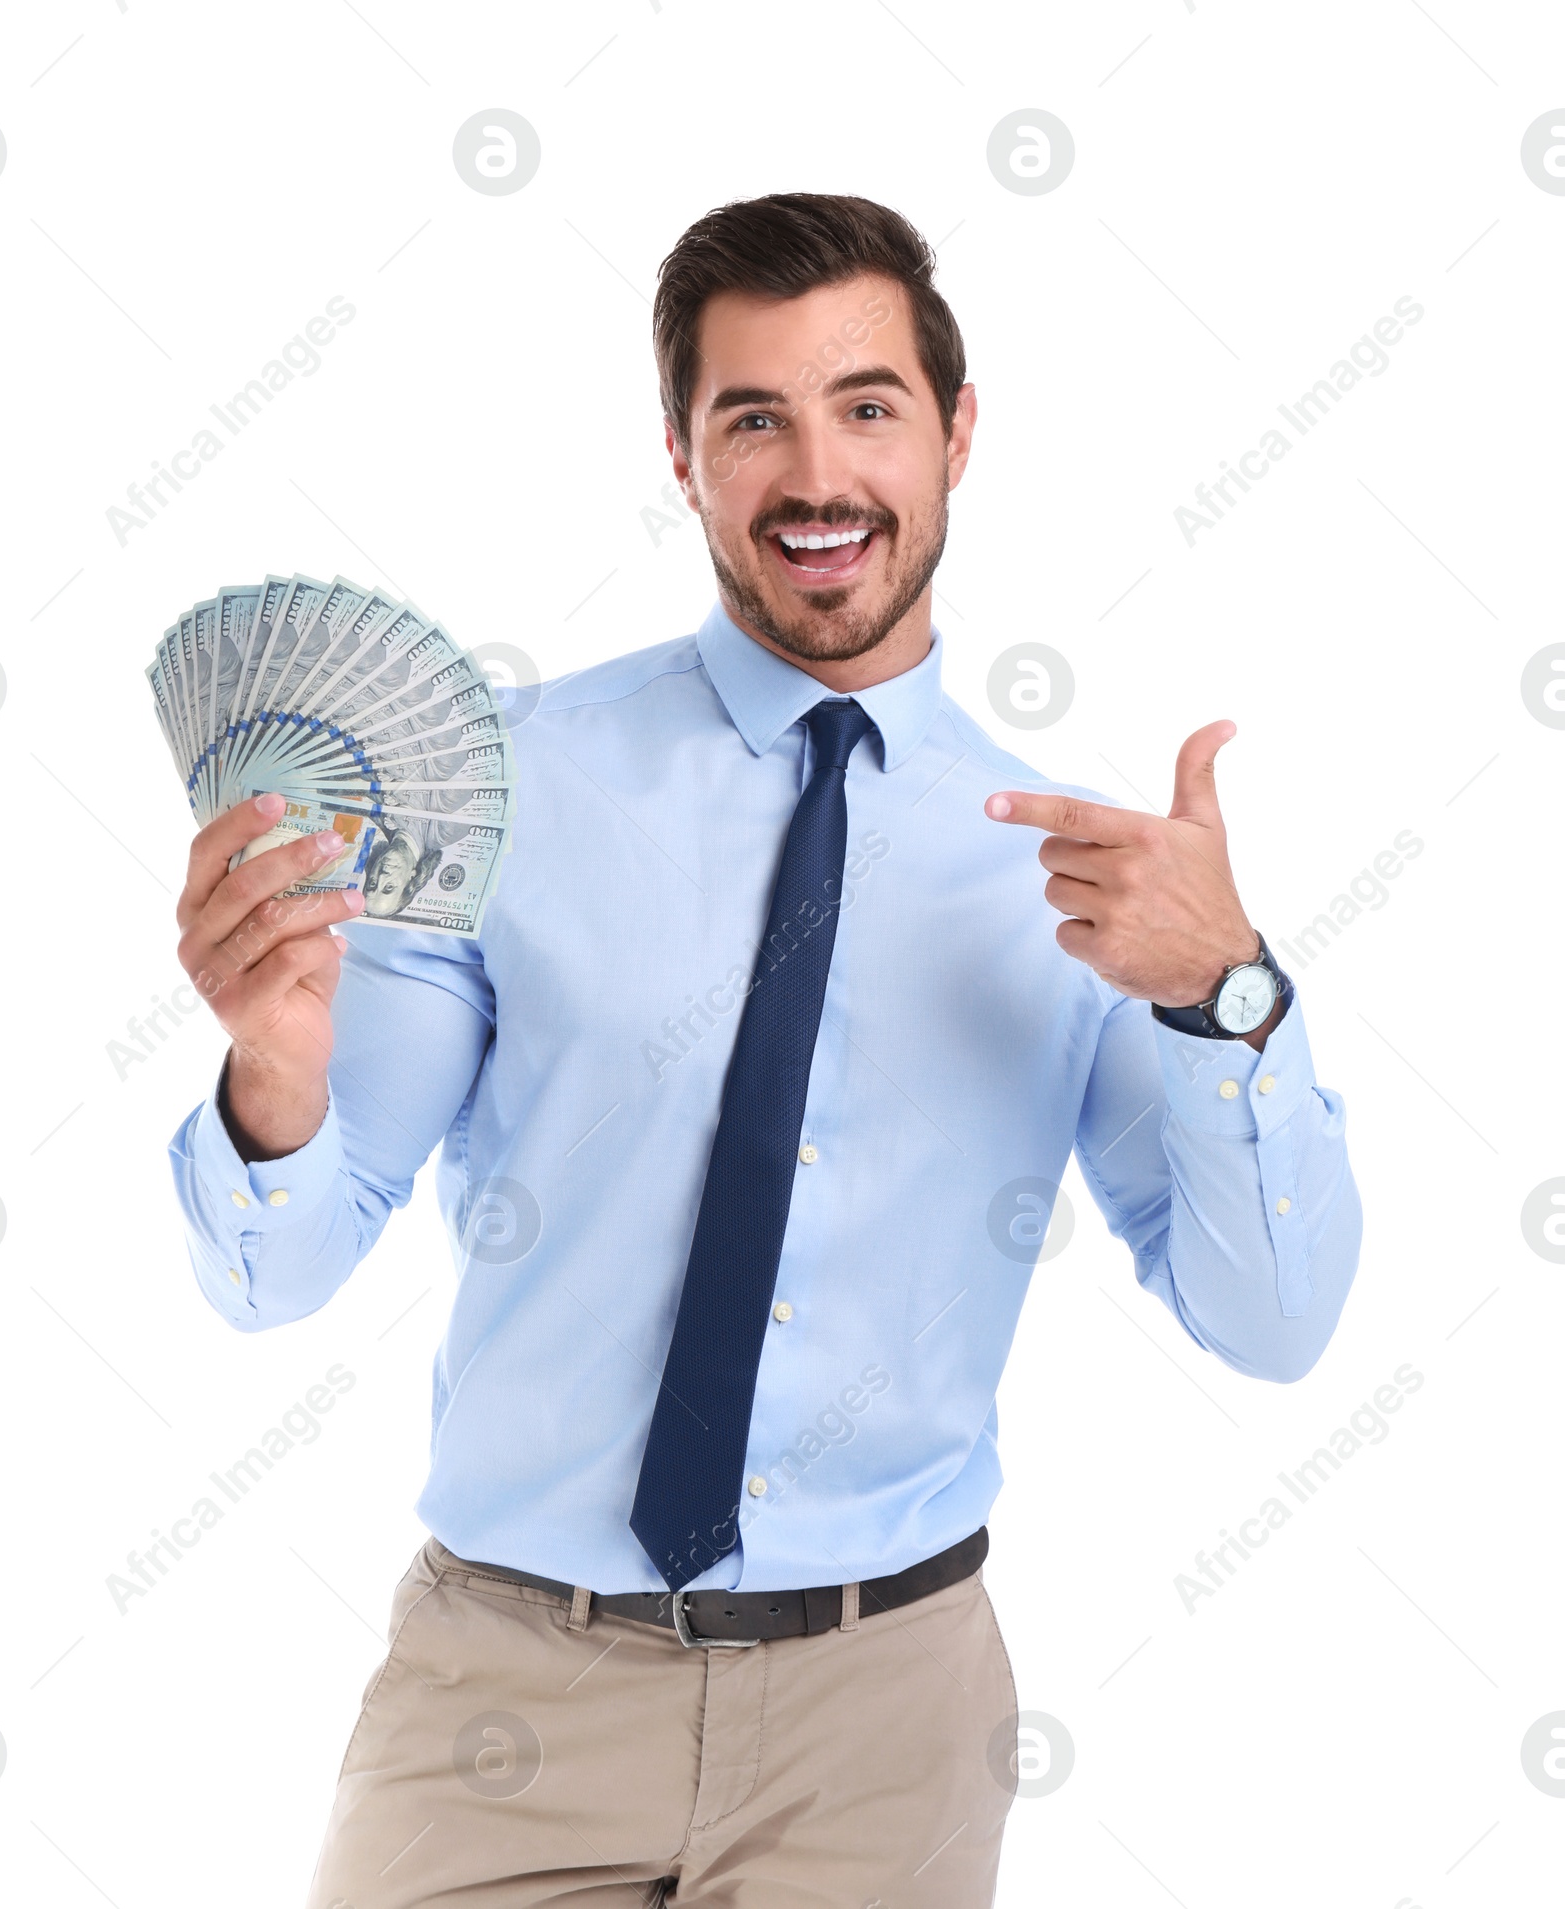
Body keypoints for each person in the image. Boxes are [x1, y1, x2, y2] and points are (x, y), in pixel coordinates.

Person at [168, 193, 1363, 1908]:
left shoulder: (1091, 882)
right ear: (682, 455)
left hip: (890, 1723)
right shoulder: (505, 793)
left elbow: (1271, 1324)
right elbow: (277, 1273)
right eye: (755, 419)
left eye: (868, 406)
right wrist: (274, 1070)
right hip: (506, 1696)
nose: (819, 477)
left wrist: (1225, 991)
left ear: (956, 434)